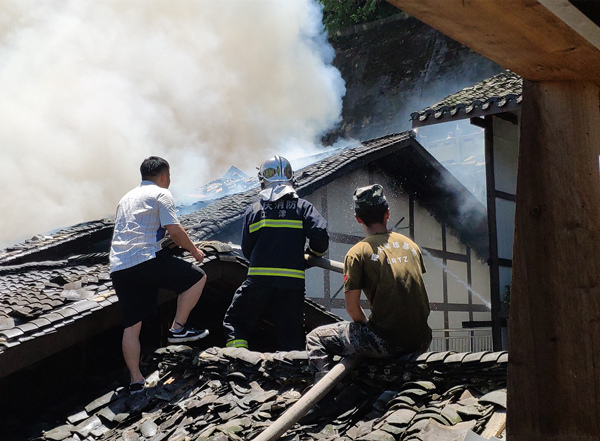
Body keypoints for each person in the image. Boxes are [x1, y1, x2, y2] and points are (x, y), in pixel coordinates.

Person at [306, 184, 431, 380]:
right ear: (387, 214)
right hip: (421, 339)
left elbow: (352, 309)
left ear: (358, 218)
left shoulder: (357, 253)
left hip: (388, 342)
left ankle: (328, 395)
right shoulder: (410, 245)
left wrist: (367, 329)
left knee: (315, 337)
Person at [109, 156, 209, 394]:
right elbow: (175, 230)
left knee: (132, 325)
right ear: (164, 176)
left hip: (119, 266)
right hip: (146, 258)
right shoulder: (161, 194)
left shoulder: (125, 198)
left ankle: (136, 380)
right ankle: (178, 328)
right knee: (197, 277)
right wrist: (194, 251)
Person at [223, 155, 329, 351]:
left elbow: (247, 249)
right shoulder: (303, 207)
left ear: (262, 179)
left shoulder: (255, 210)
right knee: (290, 333)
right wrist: (309, 257)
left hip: (259, 281)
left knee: (236, 322)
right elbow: (320, 236)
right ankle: (291, 374)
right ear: (291, 178)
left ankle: (237, 362)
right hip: (292, 284)